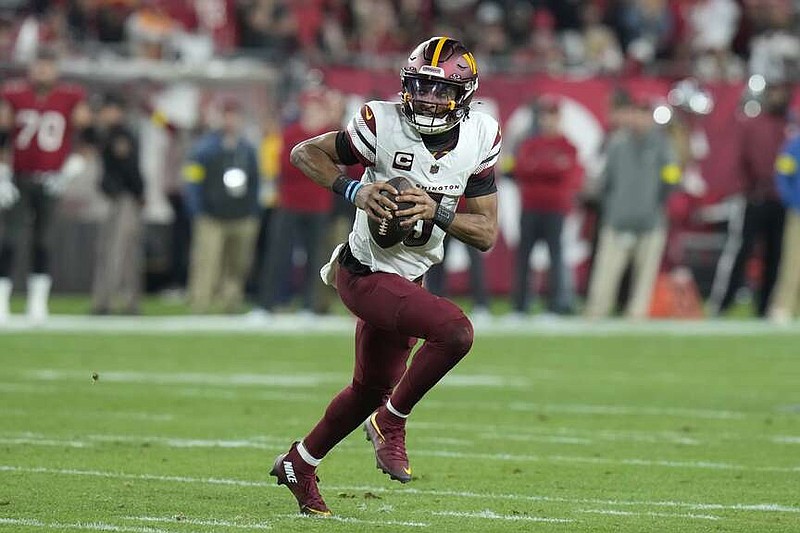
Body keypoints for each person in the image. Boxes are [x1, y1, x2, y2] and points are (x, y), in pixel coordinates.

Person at [269, 36, 501, 515]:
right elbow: (304, 154)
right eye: (421, 87)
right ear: (406, 87)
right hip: (364, 273)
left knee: (368, 390)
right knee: (455, 332)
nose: (430, 99)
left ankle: (300, 461)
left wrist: (436, 209)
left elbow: (485, 233)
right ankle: (392, 422)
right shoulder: (382, 121)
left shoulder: (482, 135)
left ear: (465, 96)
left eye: (442, 91)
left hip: (409, 280)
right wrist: (354, 188)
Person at [0, 47, 92, 323]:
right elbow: (2, 134)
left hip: (51, 178)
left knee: (44, 241)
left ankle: (38, 304)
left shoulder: (70, 97)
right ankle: (2, 303)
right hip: (19, 178)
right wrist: (2, 173)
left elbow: (87, 135)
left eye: (47, 66)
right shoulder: (14, 96)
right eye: (38, 66)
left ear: (56, 69)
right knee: (11, 240)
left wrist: (69, 170)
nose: (42, 71)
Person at [585, 97, 680, 319]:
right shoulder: (617, 143)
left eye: (644, 114)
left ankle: (637, 315)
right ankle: (596, 312)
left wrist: (656, 205)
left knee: (644, 278)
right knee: (605, 273)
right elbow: (605, 180)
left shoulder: (662, 145)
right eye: (636, 114)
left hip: (650, 221)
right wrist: (610, 207)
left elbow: (672, 178)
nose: (639, 119)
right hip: (618, 220)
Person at [708, 81, 791, 318]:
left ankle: (764, 307)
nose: (778, 98)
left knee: (774, 255)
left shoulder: (788, 126)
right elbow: (741, 159)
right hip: (755, 197)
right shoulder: (754, 125)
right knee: (741, 250)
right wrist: (746, 188)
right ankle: (723, 303)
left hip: (781, 200)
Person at [255, 90, 336, 315]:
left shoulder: (329, 136)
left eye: (316, 109)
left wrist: (311, 165)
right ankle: (267, 304)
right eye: (308, 109)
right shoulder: (292, 133)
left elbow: (333, 170)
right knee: (277, 255)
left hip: (318, 205)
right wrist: (318, 167)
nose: (311, 114)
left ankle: (310, 306)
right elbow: (285, 166)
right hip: (289, 203)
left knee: (316, 257)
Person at [184, 99, 260, 313]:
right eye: (226, 115)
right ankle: (201, 302)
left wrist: (254, 211)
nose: (231, 120)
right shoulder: (204, 148)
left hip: (242, 215)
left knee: (237, 264)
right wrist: (197, 209)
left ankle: (231, 302)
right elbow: (193, 179)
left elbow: (255, 181)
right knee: (207, 262)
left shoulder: (247, 149)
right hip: (212, 216)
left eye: (234, 115)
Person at [511, 95, 582, 316]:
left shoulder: (568, 145)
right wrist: (549, 167)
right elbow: (520, 170)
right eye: (545, 115)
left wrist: (537, 167)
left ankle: (555, 306)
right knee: (524, 257)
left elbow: (564, 172)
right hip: (530, 207)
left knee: (555, 257)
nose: (548, 120)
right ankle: (521, 306)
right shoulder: (529, 143)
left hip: (555, 209)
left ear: (559, 118)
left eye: (552, 115)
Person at [91, 93, 145, 315]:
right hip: (115, 199)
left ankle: (120, 301)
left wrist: (139, 193)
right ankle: (110, 301)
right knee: (111, 250)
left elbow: (131, 170)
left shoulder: (121, 135)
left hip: (124, 199)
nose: (104, 114)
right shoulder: (108, 134)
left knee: (120, 251)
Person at [769, 134, 800, 323]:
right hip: (798, 212)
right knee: (793, 261)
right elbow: (782, 173)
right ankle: (783, 306)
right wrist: (792, 201)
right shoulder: (796, 145)